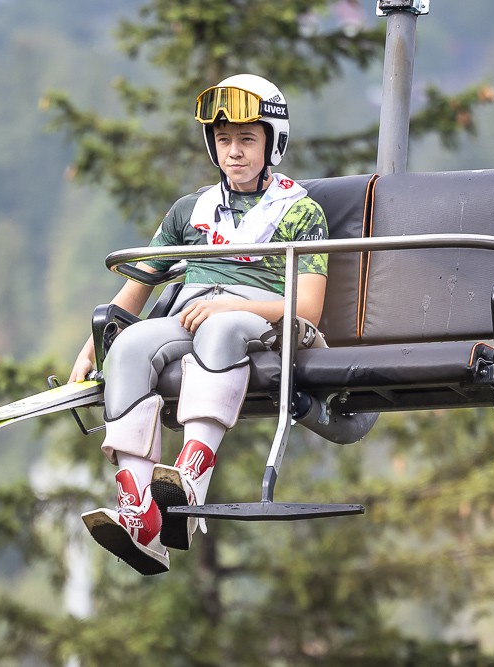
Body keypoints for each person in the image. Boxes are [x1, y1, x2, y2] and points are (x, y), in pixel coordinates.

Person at [68, 74, 329, 575]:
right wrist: (92, 346)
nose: (234, 152)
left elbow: (309, 308)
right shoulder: (190, 211)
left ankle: (191, 475)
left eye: (247, 139)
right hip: (193, 311)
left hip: (267, 318)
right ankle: (140, 511)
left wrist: (231, 308)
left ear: (272, 143)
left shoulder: (300, 212)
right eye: (224, 140)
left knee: (220, 330)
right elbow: (138, 286)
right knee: (130, 346)